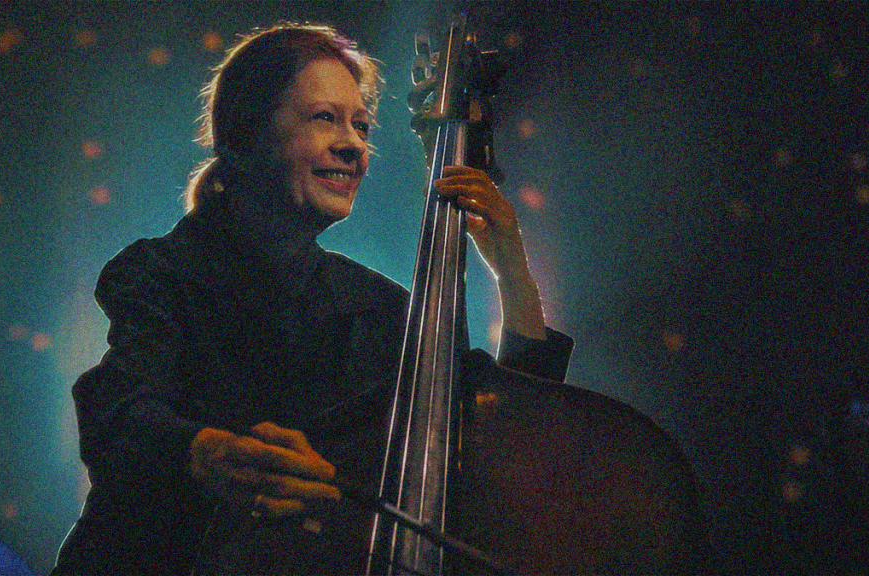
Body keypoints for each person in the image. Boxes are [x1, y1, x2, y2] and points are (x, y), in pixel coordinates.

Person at [52, 23, 572, 575]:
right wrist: (206, 452)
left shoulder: (376, 308)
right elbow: (119, 410)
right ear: (243, 136)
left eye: (361, 125)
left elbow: (505, 427)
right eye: (324, 117)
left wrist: (512, 271)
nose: (353, 145)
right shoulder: (161, 272)